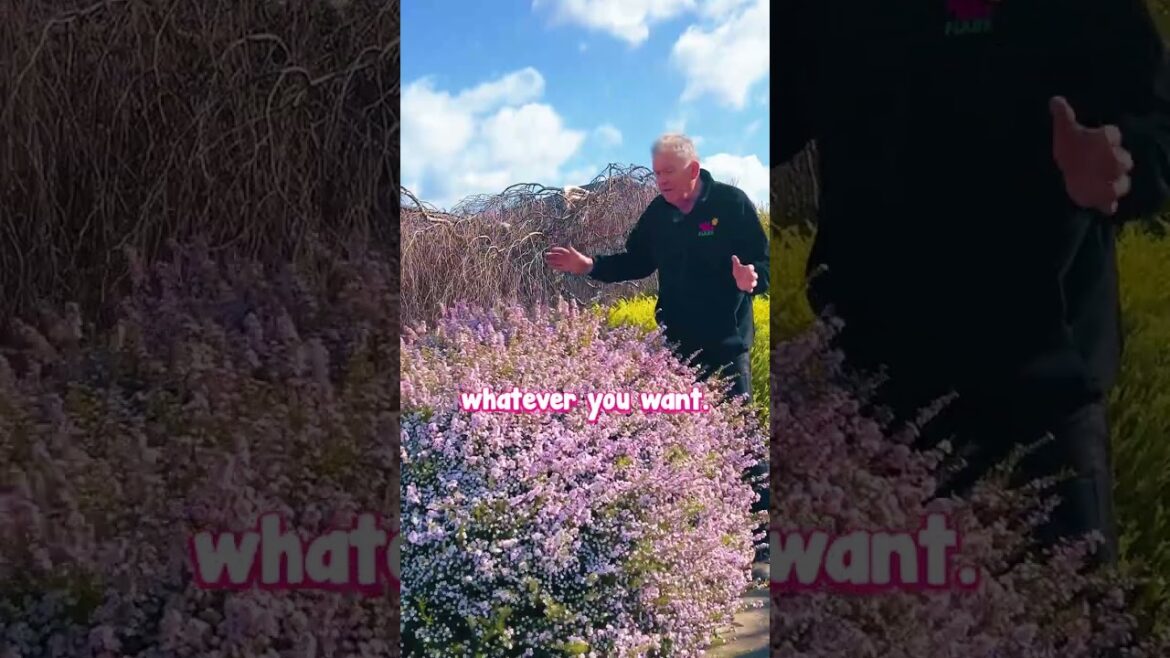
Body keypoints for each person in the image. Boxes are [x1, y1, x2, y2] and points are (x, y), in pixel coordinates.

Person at [778, 0, 1170, 567]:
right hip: (874, 390)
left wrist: (1120, 161)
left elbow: (1157, 126)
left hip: (1042, 392)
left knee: (1069, 623)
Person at [545, 133, 771, 401]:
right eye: (657, 173)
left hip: (726, 348)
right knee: (686, 435)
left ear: (693, 170)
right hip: (676, 350)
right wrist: (590, 265)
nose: (661, 180)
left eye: (669, 172)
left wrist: (752, 280)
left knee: (738, 433)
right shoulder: (658, 214)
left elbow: (764, 262)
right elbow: (637, 261)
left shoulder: (731, 204)